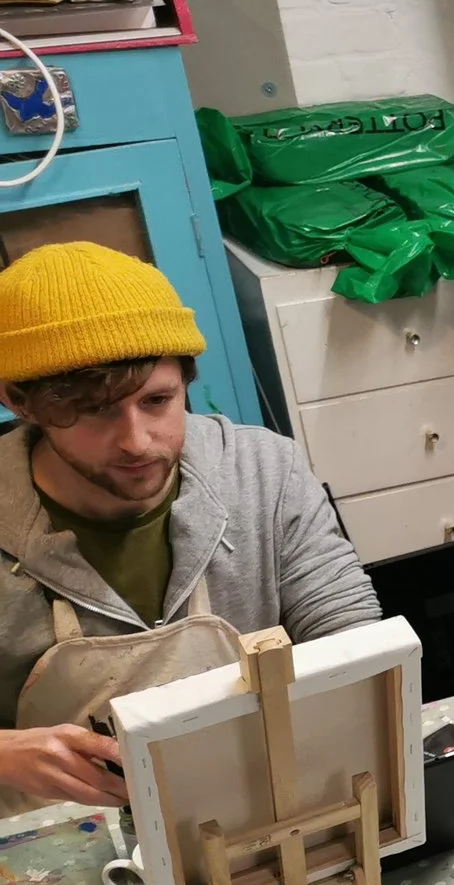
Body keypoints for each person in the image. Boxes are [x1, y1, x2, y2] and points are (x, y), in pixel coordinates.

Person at [0, 242, 377, 815]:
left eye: (158, 400)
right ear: (18, 401)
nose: (137, 441)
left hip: (254, 805)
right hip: (54, 838)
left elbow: (356, 644)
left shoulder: (262, 472)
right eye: (95, 411)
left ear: (185, 378)